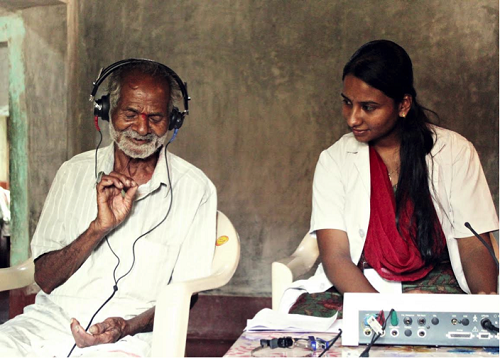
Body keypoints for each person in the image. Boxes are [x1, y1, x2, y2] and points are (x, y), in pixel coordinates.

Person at [0, 60, 217, 356]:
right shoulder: (72, 173)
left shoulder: (196, 189)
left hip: (130, 338)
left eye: (155, 117)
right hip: (49, 325)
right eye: (130, 113)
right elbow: (44, 279)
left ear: (173, 121)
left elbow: (185, 296)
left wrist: (125, 327)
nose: (142, 128)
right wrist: (98, 228)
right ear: (105, 111)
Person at [284, 40, 498, 317]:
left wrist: (485, 309)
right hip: (359, 285)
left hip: (437, 283)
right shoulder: (335, 159)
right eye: (347, 103)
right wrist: (387, 311)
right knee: (308, 323)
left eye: (368, 107)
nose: (353, 119)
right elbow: (336, 257)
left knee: (451, 330)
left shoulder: (454, 152)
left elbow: (472, 245)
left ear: (403, 104)